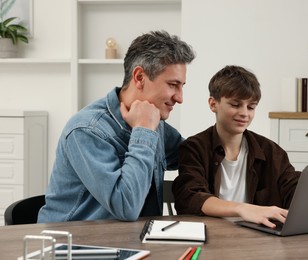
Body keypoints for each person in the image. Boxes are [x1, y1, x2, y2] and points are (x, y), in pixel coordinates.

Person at [38, 31, 195, 223]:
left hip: (134, 244)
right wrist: (144, 131)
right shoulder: (87, 130)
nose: (180, 98)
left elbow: (191, 155)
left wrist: (229, 131)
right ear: (139, 77)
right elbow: (126, 206)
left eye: (182, 86)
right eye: (173, 85)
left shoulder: (153, 120)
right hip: (75, 247)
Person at [172, 65, 300, 228]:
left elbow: (293, 189)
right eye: (235, 104)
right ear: (213, 104)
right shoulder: (194, 148)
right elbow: (190, 197)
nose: (245, 113)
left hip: (261, 240)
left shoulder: (271, 151)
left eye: (251, 107)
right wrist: (243, 209)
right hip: (211, 236)